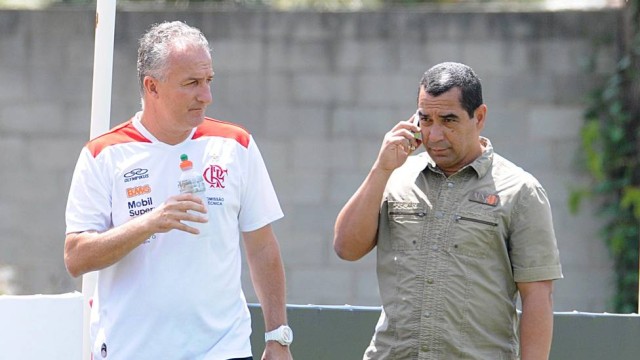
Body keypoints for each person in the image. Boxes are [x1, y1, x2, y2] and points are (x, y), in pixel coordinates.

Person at [64, 21, 293, 360]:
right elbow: (76, 257)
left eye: (208, 81)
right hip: (132, 351)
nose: (206, 96)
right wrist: (148, 223)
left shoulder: (235, 145)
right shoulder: (104, 154)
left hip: (223, 350)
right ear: (152, 87)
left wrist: (278, 336)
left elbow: (262, 247)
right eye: (192, 84)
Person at [334, 62, 562, 360]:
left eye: (449, 120)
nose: (434, 135)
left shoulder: (520, 191)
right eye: (425, 119)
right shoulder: (395, 176)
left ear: (479, 117)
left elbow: (537, 298)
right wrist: (381, 168)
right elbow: (346, 248)